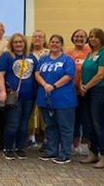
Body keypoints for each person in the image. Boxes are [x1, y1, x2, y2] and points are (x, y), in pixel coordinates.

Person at [35, 35, 77, 164]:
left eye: (57, 42)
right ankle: (52, 150)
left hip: (63, 99)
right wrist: (44, 85)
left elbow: (69, 75)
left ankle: (65, 153)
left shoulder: (67, 60)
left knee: (65, 127)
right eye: (52, 42)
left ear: (61, 44)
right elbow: (37, 73)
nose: (54, 44)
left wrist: (54, 86)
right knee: (50, 126)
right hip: (46, 98)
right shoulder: (43, 60)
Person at [0, 33, 37, 160]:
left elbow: (37, 74)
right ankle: (8, 148)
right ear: (11, 44)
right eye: (16, 42)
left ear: (25, 43)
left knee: (24, 123)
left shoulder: (31, 57)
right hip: (14, 96)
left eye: (21, 42)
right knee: (13, 123)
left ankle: (20, 147)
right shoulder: (7, 56)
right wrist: (2, 92)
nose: (18, 44)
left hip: (29, 96)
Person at [80, 28, 104, 168]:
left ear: (102, 38)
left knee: (98, 124)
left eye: (96, 37)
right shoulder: (89, 54)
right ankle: (93, 153)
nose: (93, 39)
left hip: (101, 90)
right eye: (91, 36)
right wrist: (82, 85)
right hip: (88, 90)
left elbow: (100, 75)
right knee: (90, 124)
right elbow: (84, 71)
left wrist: (86, 86)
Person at [65, 29, 91, 154]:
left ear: (86, 39)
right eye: (76, 36)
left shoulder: (90, 53)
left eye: (82, 36)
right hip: (70, 91)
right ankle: (71, 144)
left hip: (86, 91)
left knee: (84, 118)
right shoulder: (67, 53)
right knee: (72, 119)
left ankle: (83, 144)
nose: (79, 38)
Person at [27, 30, 50, 149]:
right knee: (31, 112)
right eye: (35, 36)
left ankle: (46, 139)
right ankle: (31, 137)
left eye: (40, 37)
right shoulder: (27, 53)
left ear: (44, 39)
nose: (37, 38)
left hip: (44, 86)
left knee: (44, 113)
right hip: (30, 86)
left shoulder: (49, 53)